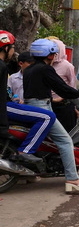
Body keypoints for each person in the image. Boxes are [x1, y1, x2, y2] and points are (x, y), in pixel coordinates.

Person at [23, 38, 79, 193]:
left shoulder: (29, 69)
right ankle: (72, 180)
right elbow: (63, 88)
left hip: (34, 105)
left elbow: (36, 91)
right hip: (42, 108)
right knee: (65, 141)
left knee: (45, 140)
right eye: (54, 53)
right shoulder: (45, 69)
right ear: (50, 55)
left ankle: (31, 173)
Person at [0, 34, 53, 166]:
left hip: (8, 104)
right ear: (5, 48)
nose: (13, 51)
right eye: (12, 47)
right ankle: (25, 151)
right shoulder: (1, 67)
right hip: (5, 107)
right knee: (47, 117)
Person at [50, 39, 79, 131]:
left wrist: (75, 106)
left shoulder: (67, 66)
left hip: (64, 105)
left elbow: (72, 86)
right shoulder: (45, 66)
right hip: (48, 104)